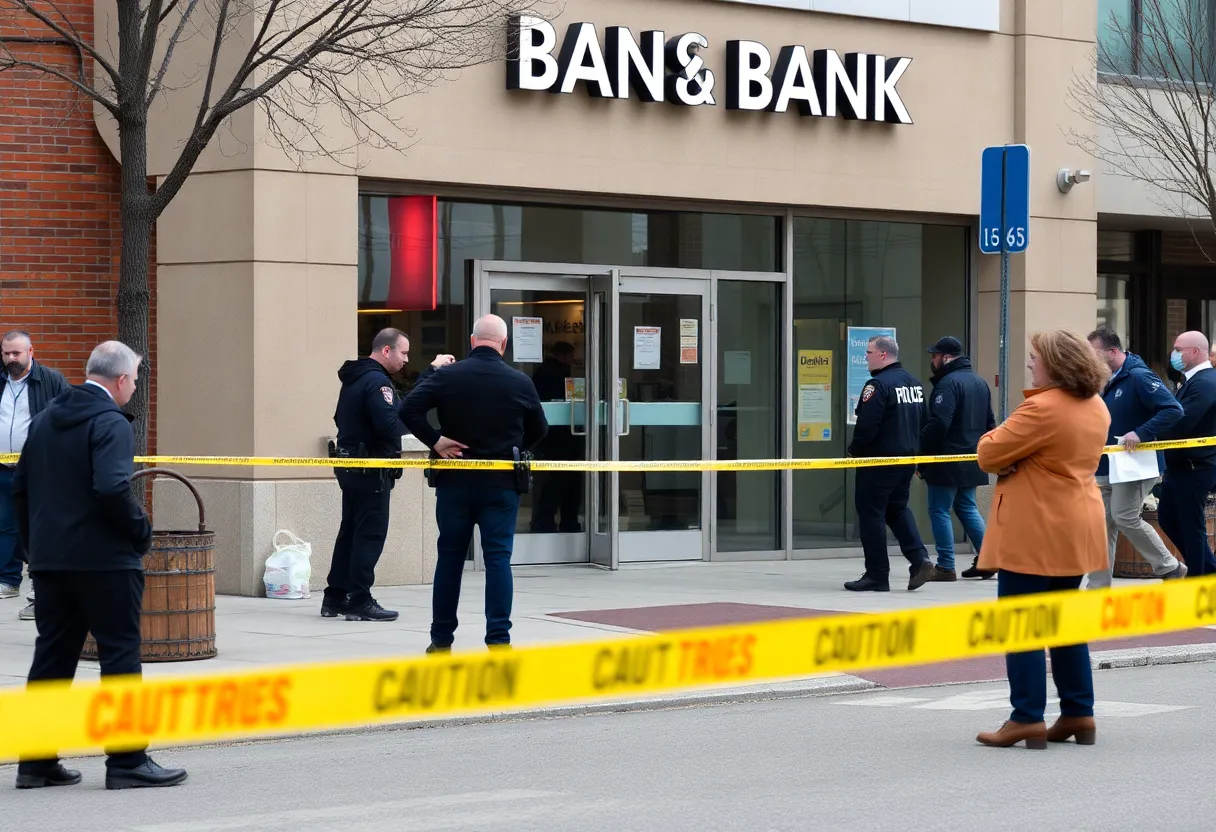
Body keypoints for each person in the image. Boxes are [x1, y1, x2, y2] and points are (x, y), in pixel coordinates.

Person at [13, 341, 187, 789]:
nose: (134, 386)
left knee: (52, 657)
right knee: (120, 654)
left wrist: (35, 551)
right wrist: (140, 532)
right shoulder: (110, 421)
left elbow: (20, 489)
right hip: (105, 562)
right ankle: (127, 761)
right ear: (122, 379)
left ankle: (35, 761)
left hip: (52, 562)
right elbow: (112, 488)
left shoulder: (47, 417)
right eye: (134, 379)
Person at [974, 329, 1110, 750]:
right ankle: (1078, 712)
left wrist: (1014, 461)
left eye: (1035, 357)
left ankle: (1027, 717)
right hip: (1077, 524)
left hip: (1035, 527)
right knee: (1066, 626)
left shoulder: (1042, 408)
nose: (1030, 363)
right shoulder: (1096, 404)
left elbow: (989, 452)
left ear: (1055, 363)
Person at [401, 314, 548, 651]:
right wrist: (515, 447)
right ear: (504, 344)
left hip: (454, 481)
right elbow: (540, 429)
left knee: (450, 558)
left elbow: (408, 410)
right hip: (500, 484)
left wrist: (435, 441)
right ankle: (499, 640)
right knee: (498, 560)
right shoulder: (519, 381)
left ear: (471, 341)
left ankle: (440, 640)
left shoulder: (448, 376)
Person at [322, 328, 454, 622]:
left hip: (352, 466)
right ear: (386, 351)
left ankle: (334, 597)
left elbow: (391, 409)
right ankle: (359, 599)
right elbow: (392, 422)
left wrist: (429, 372)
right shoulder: (376, 382)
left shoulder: (357, 378)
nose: (406, 359)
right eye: (404, 352)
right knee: (369, 534)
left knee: (350, 532)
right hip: (371, 470)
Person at [1085, 328, 1186, 587]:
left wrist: (1141, 433)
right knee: (1101, 526)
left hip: (1134, 465)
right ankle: (1097, 588)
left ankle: (1170, 566)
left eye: (1094, 353)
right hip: (1109, 464)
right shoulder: (1107, 379)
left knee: (1124, 516)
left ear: (1113, 351)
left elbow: (1173, 409)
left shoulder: (1139, 376)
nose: (1090, 358)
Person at [844, 335, 934, 593]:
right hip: (905, 460)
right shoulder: (914, 384)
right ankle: (919, 560)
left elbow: (866, 426)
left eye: (869, 353)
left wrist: (855, 451)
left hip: (878, 462)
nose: (866, 357)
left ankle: (877, 574)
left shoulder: (878, 385)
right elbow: (923, 423)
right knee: (897, 509)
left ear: (882, 355)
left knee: (871, 515)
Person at [0, 331, 69, 622]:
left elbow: (68, 418)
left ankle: (42, 594)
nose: (11, 359)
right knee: (4, 525)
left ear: (31, 351)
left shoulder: (51, 380)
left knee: (40, 529)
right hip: (3, 469)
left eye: (16, 353)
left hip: (40, 469)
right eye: (6, 354)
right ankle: (8, 580)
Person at [919, 336, 996, 582]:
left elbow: (939, 423)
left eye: (935, 356)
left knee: (939, 510)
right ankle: (988, 559)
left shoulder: (947, 384)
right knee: (967, 507)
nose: (932, 360)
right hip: (972, 457)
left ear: (946, 357)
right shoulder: (979, 382)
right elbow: (990, 423)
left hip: (946, 458)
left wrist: (920, 450)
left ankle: (945, 566)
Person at [1156, 330, 1216, 578]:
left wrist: (1148, 431)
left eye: (1178, 349)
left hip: (1195, 467)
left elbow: (1181, 420)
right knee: (1168, 518)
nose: (1174, 354)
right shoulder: (1191, 380)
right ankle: (1208, 569)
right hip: (1180, 465)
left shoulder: (1205, 382)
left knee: (1192, 528)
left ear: (1194, 352)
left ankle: (1199, 579)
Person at [529, 341, 582, 534]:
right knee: (568, 484)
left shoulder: (540, 372)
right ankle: (569, 522)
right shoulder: (564, 374)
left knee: (551, 482)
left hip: (548, 437)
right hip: (566, 437)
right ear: (566, 355)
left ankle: (544, 522)